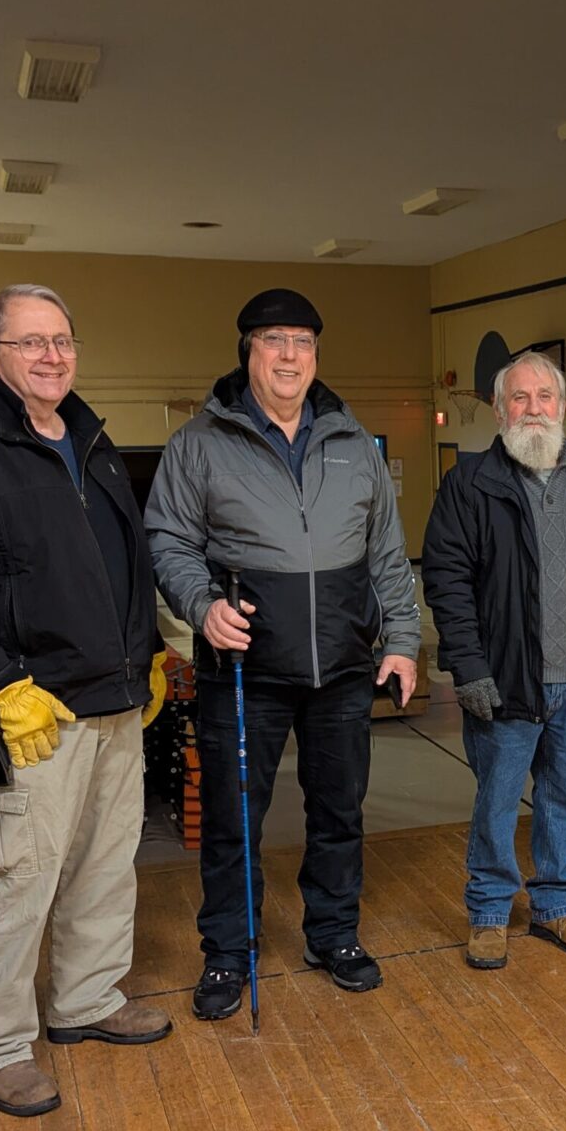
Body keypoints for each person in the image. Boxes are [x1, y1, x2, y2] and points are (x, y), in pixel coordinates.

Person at [146, 288, 420, 1019]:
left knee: (340, 811)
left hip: (340, 666)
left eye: (302, 341)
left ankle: (334, 934)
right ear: (248, 353)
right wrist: (202, 606)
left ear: (316, 356)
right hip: (243, 671)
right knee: (235, 818)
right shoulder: (199, 444)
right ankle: (228, 953)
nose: (289, 355)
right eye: (274, 341)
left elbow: (387, 555)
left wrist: (402, 640)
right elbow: (167, 540)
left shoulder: (354, 444)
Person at [0, 284, 173, 1118]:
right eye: (31, 342)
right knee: (18, 880)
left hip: (114, 699)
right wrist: (0, 683)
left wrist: (145, 653)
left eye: (63, 340)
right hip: (34, 712)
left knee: (107, 866)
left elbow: (126, 559)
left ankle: (87, 1000)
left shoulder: (91, 435)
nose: (52, 356)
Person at [422, 351, 566, 970]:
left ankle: (554, 905)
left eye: (545, 396)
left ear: (563, 406)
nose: (534, 408)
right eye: (520, 398)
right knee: (496, 799)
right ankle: (490, 912)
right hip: (505, 676)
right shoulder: (470, 485)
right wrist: (469, 668)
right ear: (498, 410)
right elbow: (448, 580)